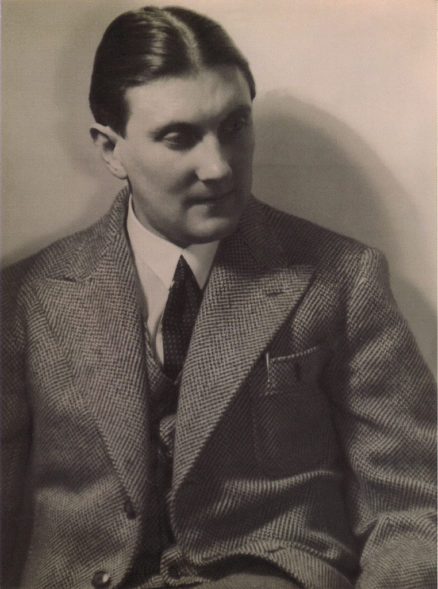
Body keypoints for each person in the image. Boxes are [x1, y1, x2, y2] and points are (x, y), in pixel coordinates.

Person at [2, 5, 435, 589]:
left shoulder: (342, 278)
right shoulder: (26, 298)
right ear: (110, 149)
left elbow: (413, 502)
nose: (219, 167)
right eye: (179, 137)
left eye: (234, 127)